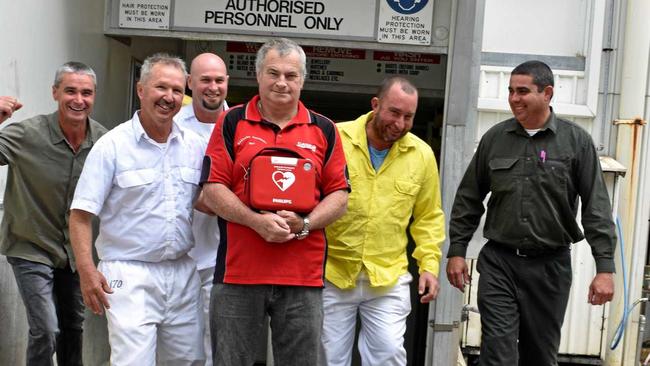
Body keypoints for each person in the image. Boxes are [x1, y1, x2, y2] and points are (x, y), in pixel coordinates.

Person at [446, 60, 616, 365]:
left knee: (539, 356)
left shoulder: (576, 142)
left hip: (550, 267)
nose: (513, 98)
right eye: (511, 91)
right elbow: (469, 198)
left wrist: (604, 267)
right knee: (497, 353)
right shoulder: (495, 139)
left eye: (522, 91)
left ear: (547, 93)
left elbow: (596, 207)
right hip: (500, 263)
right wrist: (457, 249)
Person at [200, 38, 349, 366]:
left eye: (291, 75)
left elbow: (339, 195)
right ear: (258, 76)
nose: (282, 82)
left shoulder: (324, 129)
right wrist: (256, 221)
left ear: (303, 81)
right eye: (273, 73)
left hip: (303, 277)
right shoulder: (232, 122)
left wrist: (305, 224)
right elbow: (212, 188)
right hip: (238, 273)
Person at [69, 53, 206, 365]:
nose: (169, 97)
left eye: (176, 90)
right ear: (141, 90)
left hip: (183, 272)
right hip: (128, 274)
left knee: (188, 361)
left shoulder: (194, 145)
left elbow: (209, 199)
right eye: (160, 87)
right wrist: (87, 271)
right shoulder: (113, 145)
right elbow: (80, 216)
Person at [321, 76, 446, 366]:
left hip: (387, 276)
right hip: (332, 272)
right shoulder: (335, 138)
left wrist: (429, 265)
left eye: (408, 117)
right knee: (327, 358)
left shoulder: (422, 155)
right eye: (394, 112)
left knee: (388, 354)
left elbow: (428, 217)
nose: (400, 123)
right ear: (375, 105)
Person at [0, 62, 107, 366]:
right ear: (55, 92)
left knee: (73, 330)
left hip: (74, 253)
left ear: (94, 96)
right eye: (70, 90)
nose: (78, 99)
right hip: (30, 247)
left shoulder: (105, 142)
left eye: (86, 93)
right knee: (46, 329)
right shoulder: (26, 133)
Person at [175, 52, 229, 366]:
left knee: (217, 343)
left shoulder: (240, 123)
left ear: (227, 83)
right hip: (177, 256)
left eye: (218, 80)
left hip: (224, 256)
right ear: (190, 83)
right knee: (180, 346)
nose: (212, 87)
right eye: (205, 80)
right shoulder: (171, 124)